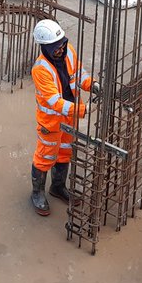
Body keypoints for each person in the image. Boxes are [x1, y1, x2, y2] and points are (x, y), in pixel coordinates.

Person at [29, 19, 93, 216]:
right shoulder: (40, 69)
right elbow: (54, 102)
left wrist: (92, 84)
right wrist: (82, 110)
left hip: (69, 118)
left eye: (61, 44)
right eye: (55, 47)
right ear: (45, 48)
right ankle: (37, 193)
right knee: (45, 156)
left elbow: (79, 73)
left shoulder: (68, 51)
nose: (60, 49)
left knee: (65, 152)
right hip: (51, 122)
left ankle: (57, 187)